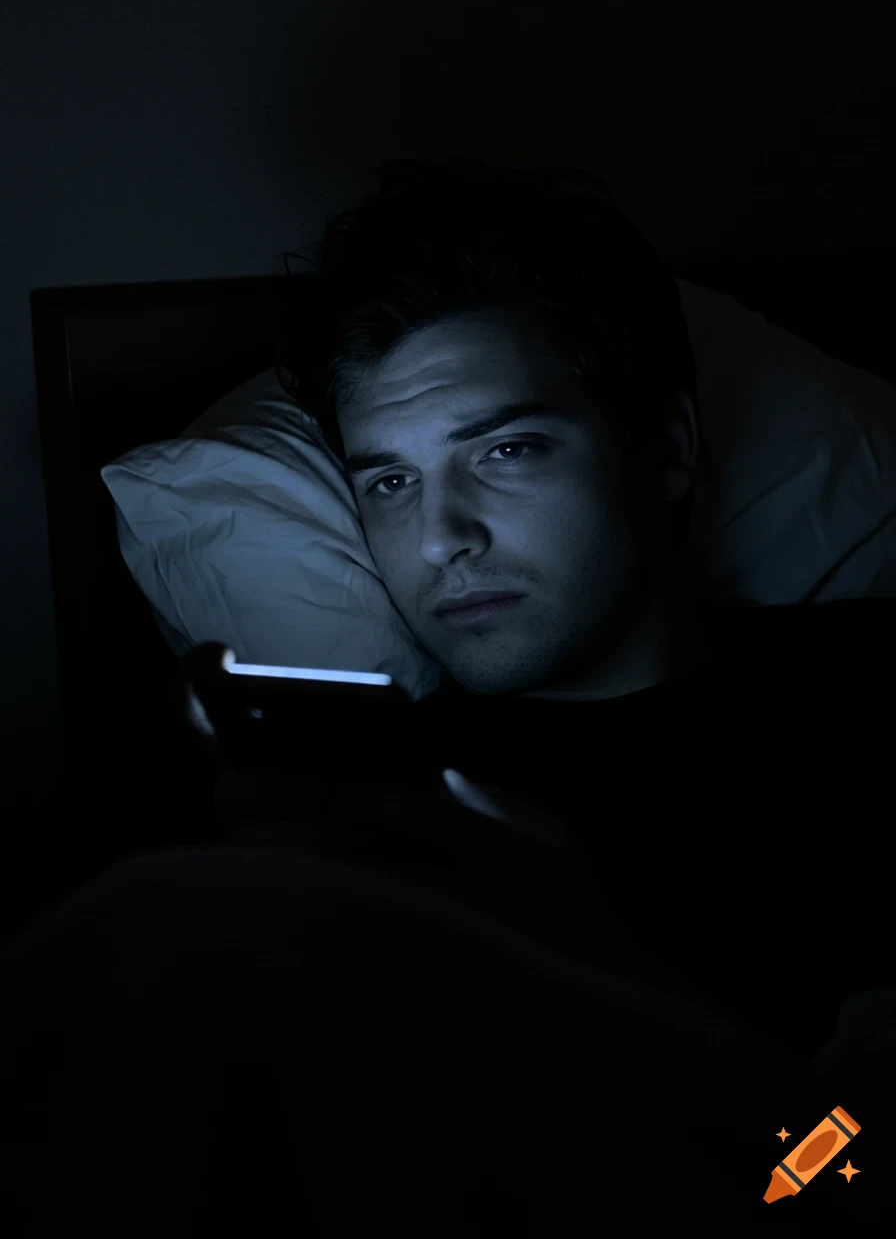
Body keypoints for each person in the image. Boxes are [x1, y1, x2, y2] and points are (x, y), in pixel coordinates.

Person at [2, 159, 894, 1233]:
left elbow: (835, 1173)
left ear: (663, 448)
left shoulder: (861, 718)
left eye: (506, 450)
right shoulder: (275, 781)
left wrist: (609, 981)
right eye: (388, 480)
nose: (438, 538)